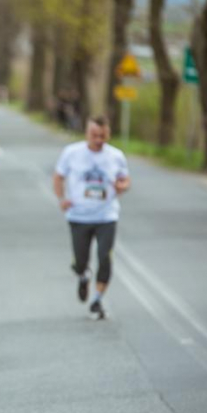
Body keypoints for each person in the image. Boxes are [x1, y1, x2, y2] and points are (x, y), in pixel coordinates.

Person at [53, 115, 131, 319]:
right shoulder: (72, 153)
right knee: (81, 260)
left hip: (107, 215)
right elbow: (58, 176)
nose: (98, 140)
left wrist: (122, 186)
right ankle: (83, 274)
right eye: (94, 135)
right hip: (78, 215)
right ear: (87, 133)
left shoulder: (116, 156)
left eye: (102, 136)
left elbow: (125, 180)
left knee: (105, 257)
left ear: (108, 134)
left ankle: (97, 299)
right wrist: (62, 198)